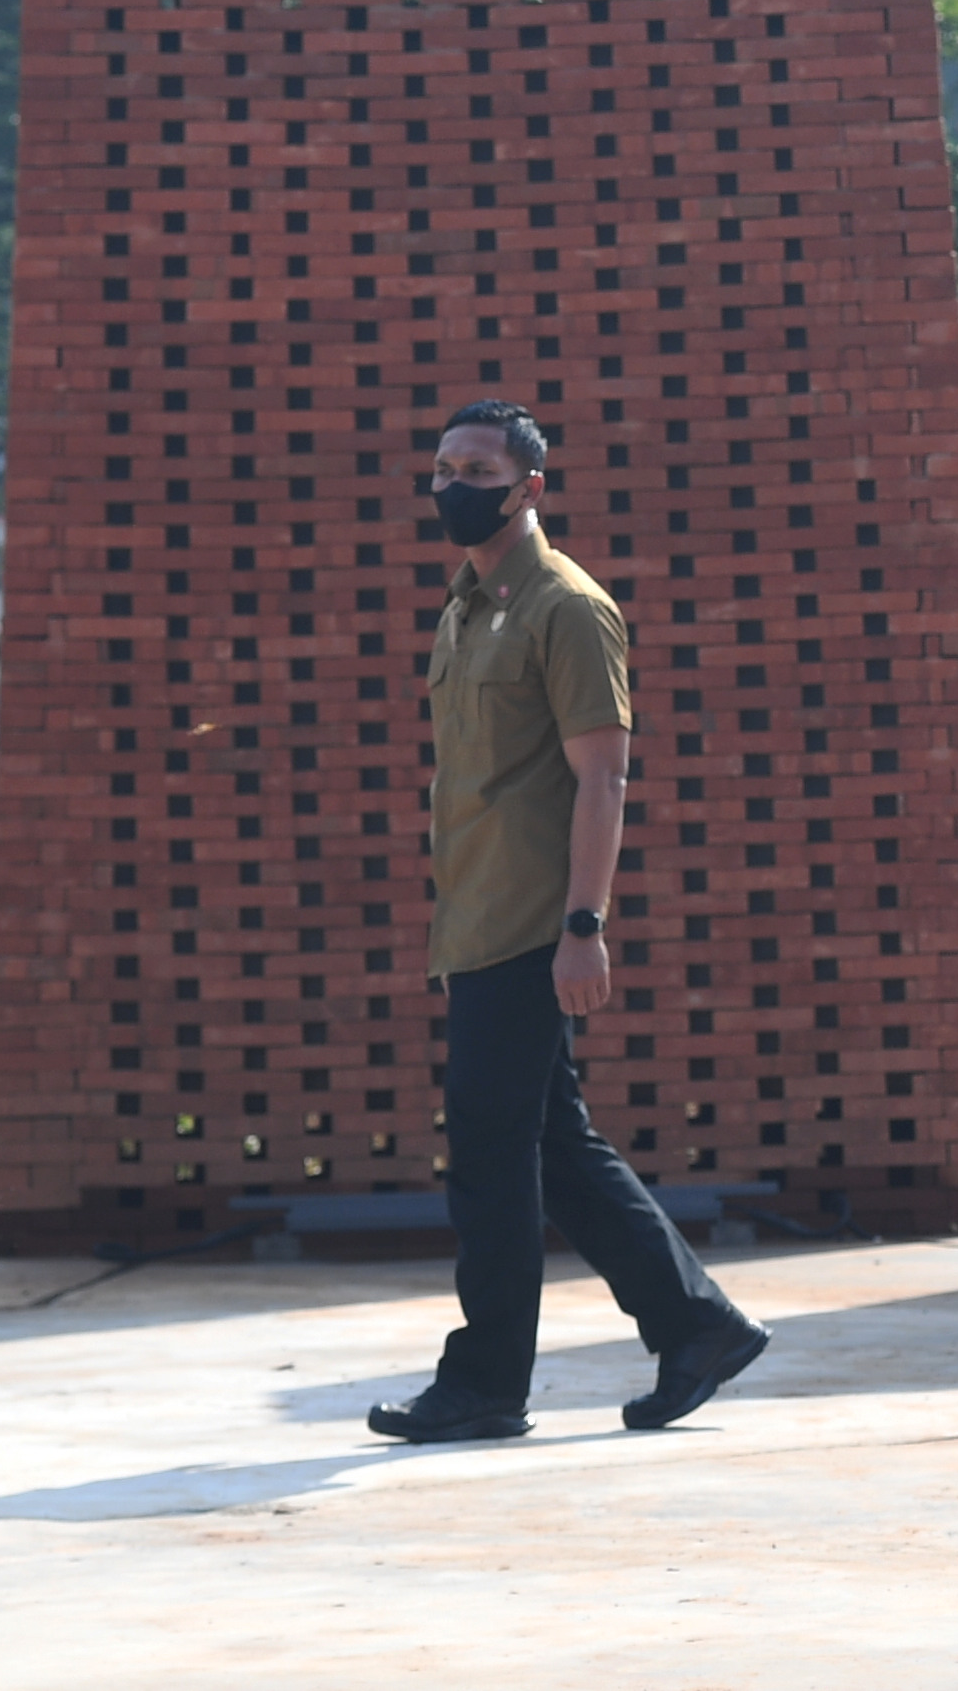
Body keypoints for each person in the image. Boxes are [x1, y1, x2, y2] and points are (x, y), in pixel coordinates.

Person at [368, 401, 769, 1443]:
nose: (454, 482)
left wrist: (583, 924)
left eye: (477, 467)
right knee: (553, 1142)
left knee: (492, 1158)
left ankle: (486, 1380)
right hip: (475, 916)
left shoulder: (567, 607)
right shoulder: (465, 609)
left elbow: (605, 777)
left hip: (532, 925)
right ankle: (696, 1325)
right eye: (442, 464)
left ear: (529, 486)